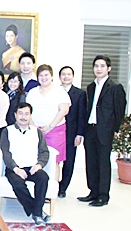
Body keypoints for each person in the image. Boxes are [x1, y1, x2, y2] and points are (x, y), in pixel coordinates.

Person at [78, 55, 126, 207]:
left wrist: (116, 129)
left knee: (103, 163)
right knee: (91, 162)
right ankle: (93, 192)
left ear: (109, 68)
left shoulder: (115, 87)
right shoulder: (91, 87)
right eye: (96, 66)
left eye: (102, 66)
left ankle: (103, 196)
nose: (98, 69)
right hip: (90, 129)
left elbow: (119, 110)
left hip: (105, 130)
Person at [0, 102, 51, 227]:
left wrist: (39, 165)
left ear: (30, 116)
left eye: (26, 114)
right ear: (15, 115)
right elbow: (6, 153)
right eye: (20, 113)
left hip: (32, 167)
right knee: (18, 184)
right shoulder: (7, 131)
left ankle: (37, 212)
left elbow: (44, 151)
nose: (23, 117)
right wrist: (16, 168)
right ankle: (37, 212)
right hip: (14, 168)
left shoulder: (36, 131)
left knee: (43, 177)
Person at [26, 64, 70, 181]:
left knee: (53, 160)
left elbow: (64, 110)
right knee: (36, 159)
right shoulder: (32, 92)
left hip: (55, 131)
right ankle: (39, 188)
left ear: (51, 76)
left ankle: (51, 191)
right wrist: (34, 127)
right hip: (35, 130)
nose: (44, 78)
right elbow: (27, 111)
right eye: (41, 75)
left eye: (46, 75)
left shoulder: (59, 91)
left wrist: (50, 126)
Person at [57, 66, 87, 198]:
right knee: (55, 159)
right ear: (59, 77)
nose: (66, 77)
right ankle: (53, 185)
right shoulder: (54, 91)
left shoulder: (80, 94)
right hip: (57, 131)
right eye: (63, 74)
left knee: (69, 161)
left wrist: (79, 134)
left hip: (71, 132)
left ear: (73, 77)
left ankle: (63, 187)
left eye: (68, 74)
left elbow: (82, 115)